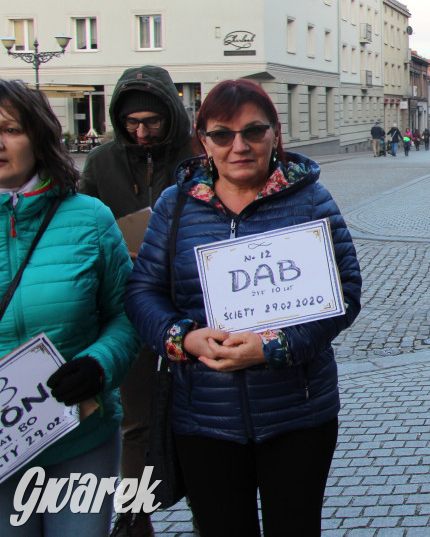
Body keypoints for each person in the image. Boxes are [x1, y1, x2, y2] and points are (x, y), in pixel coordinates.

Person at [124, 79, 362, 536]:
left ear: (275, 133)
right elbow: (142, 293)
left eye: (254, 131)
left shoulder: (310, 201)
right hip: (203, 416)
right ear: (203, 139)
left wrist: (274, 348)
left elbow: (344, 294)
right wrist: (184, 338)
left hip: (298, 412)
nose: (239, 146)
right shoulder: (176, 207)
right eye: (222, 134)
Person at [0, 79, 137, 535]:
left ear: (39, 137)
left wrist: (99, 365)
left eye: (10, 129)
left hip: (81, 437)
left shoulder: (89, 217)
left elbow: (127, 314)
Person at [79, 65, 195, 537]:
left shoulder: (197, 154)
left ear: (171, 115)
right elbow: (84, 225)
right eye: (132, 123)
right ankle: (133, 518)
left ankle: (211, 512)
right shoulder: (103, 162)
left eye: (152, 122)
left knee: (203, 421)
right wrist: (113, 251)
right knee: (137, 423)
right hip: (132, 305)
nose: (142, 132)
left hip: (193, 303)